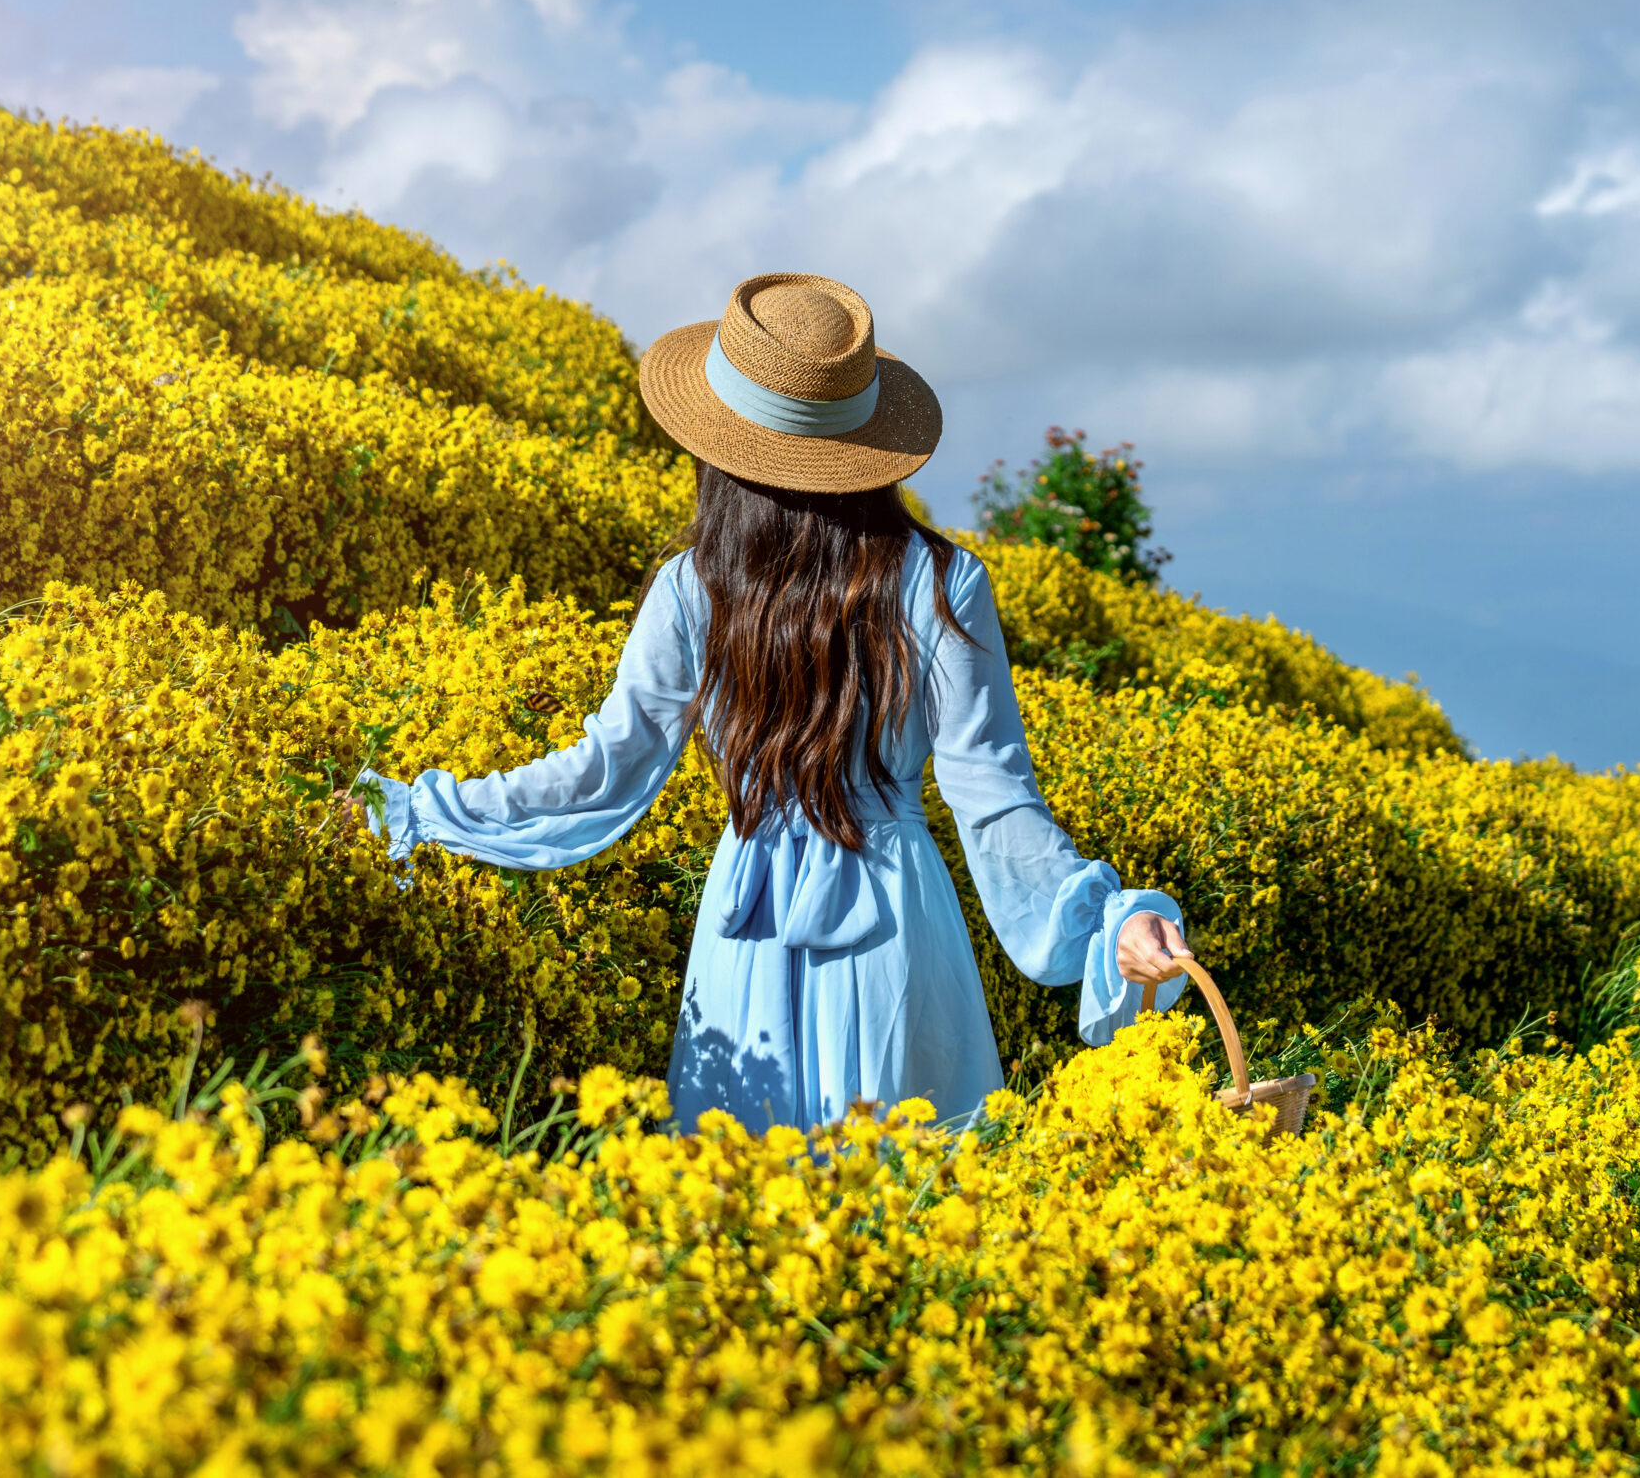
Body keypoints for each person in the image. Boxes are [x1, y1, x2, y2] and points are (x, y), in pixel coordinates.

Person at [356, 272, 1195, 1133]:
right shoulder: (942, 581)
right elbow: (994, 794)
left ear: (720, 443)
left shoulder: (694, 585)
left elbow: (602, 770)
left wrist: (419, 808)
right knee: (907, 1213)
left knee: (746, 1212)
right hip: (894, 925)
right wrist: (1108, 918)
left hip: (744, 928)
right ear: (866, 443)